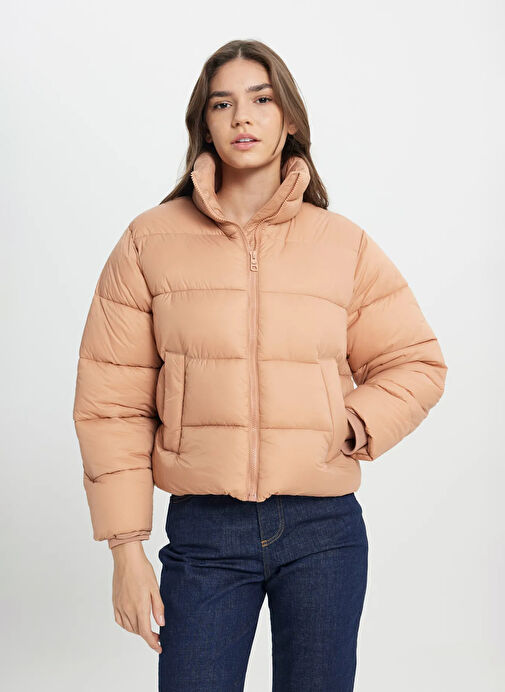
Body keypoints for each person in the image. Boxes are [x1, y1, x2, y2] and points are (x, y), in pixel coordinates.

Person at [72, 39, 447, 691]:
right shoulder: (149, 241)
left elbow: (415, 362)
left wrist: (349, 422)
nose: (242, 117)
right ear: (204, 123)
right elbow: (112, 403)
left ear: (289, 119)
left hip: (322, 531)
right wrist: (125, 550)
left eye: (261, 100)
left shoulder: (341, 245)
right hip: (204, 532)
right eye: (222, 104)